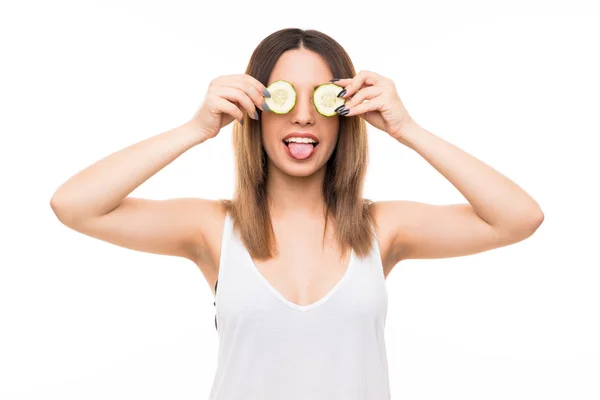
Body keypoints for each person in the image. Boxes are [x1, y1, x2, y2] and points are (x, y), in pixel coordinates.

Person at [50, 28, 544, 400]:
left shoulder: (383, 230)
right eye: (283, 96)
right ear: (255, 108)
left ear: (344, 112)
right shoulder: (212, 230)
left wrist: (407, 128)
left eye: (322, 99)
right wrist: (196, 128)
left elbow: (518, 218)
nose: (303, 115)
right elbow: (74, 205)